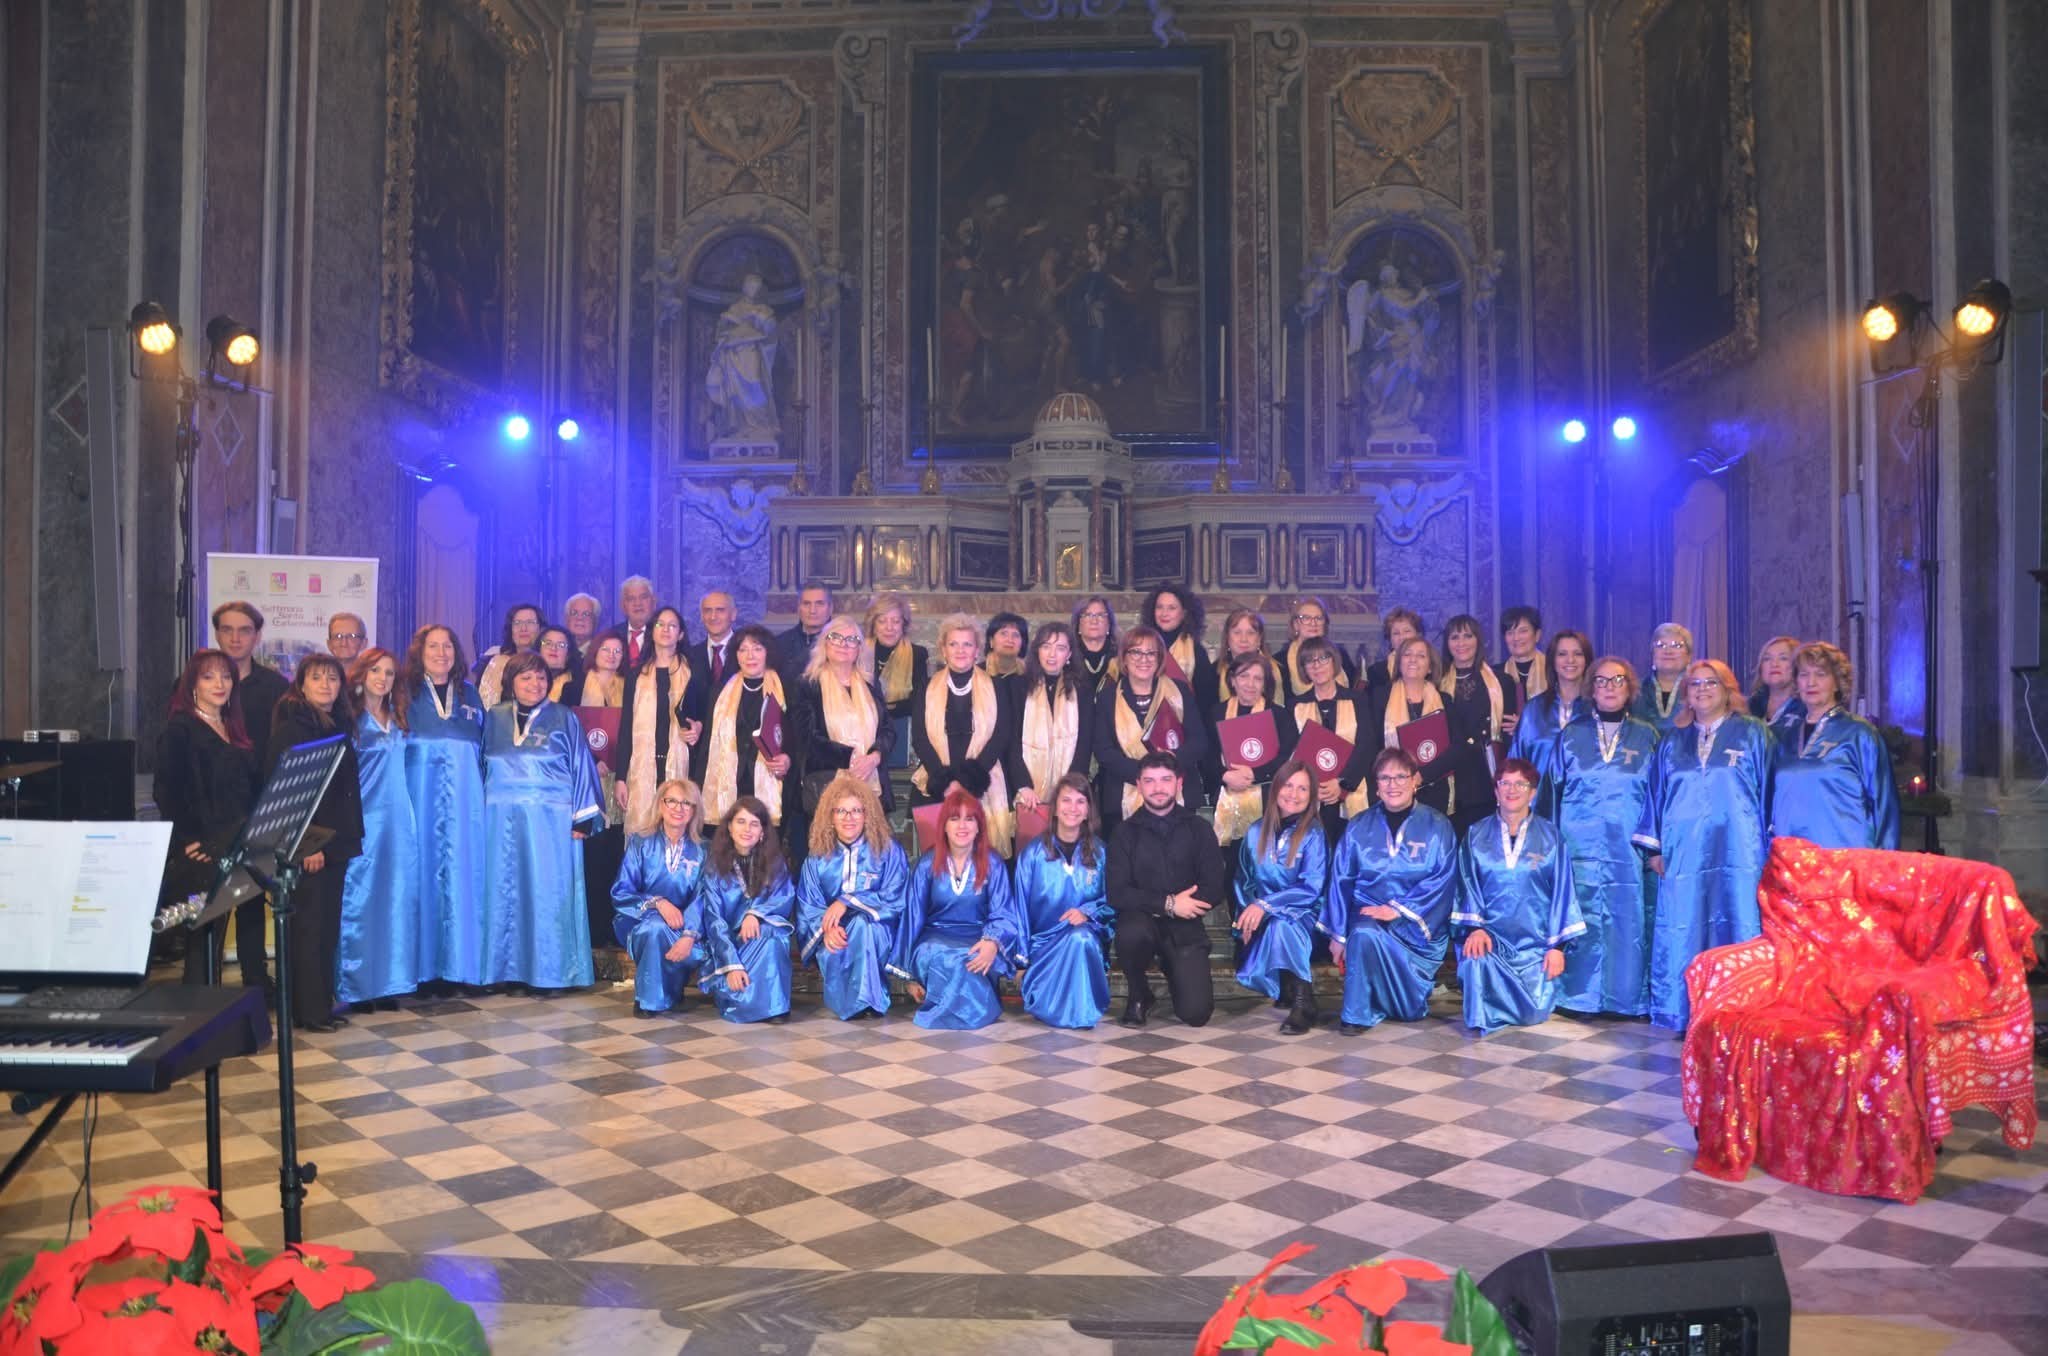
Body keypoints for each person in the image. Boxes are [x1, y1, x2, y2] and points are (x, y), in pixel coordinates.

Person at [1635, 658, 1773, 1031]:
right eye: (1694, 684)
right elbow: (1655, 796)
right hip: (1684, 853)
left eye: (1711, 683)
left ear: (1728, 689)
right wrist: (1656, 848)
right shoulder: (1672, 743)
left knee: (1739, 925)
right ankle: (1684, 1012)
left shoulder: (1753, 735)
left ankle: (1741, 1014)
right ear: (1686, 694)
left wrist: (1771, 849)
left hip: (1740, 853)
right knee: (1684, 925)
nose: (1702, 689)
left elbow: (1770, 795)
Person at [481, 653, 606, 991]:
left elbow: (582, 765)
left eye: (540, 678)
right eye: (525, 678)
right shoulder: (492, 718)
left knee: (547, 893)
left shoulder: (564, 717)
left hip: (551, 822)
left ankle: (550, 972)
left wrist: (583, 819)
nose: (534, 684)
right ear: (511, 682)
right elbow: (479, 767)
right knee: (502, 891)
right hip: (499, 821)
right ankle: (501, 971)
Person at [1548, 656, 1659, 1018]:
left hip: (1628, 849)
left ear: (1630, 689)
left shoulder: (1647, 736)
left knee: (1627, 921)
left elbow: (1659, 796)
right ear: (1590, 688)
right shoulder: (1571, 735)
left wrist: (1653, 846)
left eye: (1618, 680)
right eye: (1601, 681)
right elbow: (1552, 790)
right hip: (1576, 847)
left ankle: (1624, 998)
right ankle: (1578, 996)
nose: (1609, 687)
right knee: (1581, 918)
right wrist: (1550, 847)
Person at [1325, 748, 1460, 1034]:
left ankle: (1394, 1000)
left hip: (1416, 928)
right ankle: (1356, 1014)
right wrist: (1337, 934)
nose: (1393, 784)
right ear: (1376, 785)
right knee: (1363, 932)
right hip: (1367, 918)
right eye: (1385, 778)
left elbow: (1443, 879)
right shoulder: (1358, 826)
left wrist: (1396, 910)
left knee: (1409, 1012)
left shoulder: (1438, 826)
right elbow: (1340, 880)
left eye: (1401, 776)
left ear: (1415, 781)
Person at [264, 654, 364, 1032]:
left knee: (324, 929)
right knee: (309, 928)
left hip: (335, 842)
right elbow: (289, 795)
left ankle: (318, 1003)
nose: (326, 684)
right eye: (317, 677)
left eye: (333, 678)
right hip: (311, 846)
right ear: (301, 684)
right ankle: (308, 1012)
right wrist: (307, 846)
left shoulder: (335, 723)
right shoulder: (294, 728)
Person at [1451, 758, 1583, 1035]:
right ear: (1495, 791)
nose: (1512, 790)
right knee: (1476, 961)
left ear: (1532, 792)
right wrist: (1474, 928)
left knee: (1533, 1013)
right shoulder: (1475, 835)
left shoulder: (1550, 837)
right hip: (1490, 940)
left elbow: (1563, 892)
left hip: (1534, 948)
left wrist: (1556, 947)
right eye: (1505, 783)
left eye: (1520, 784)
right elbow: (1466, 883)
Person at [157, 649, 260, 989]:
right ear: (192, 686)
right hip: (200, 848)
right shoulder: (181, 729)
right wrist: (188, 840)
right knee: (201, 938)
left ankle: (211, 1015)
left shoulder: (234, 728)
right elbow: (167, 791)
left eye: (226, 676)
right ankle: (198, 1019)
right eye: (208, 676)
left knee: (216, 935)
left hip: (234, 844)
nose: (220, 684)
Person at [397, 624, 489, 988]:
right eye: (433, 646)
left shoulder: (470, 695)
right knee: (421, 878)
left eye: (448, 646)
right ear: (419, 652)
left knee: (465, 877)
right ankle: (421, 970)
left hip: (466, 811)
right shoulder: (404, 694)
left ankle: (460, 968)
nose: (441, 653)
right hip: (420, 805)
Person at [1105, 751, 1223, 1027]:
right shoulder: (1124, 832)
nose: (1158, 788)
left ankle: (1176, 966)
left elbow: (1215, 885)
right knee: (1131, 933)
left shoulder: (1199, 829)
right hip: (1140, 921)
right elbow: (1117, 892)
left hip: (1185, 923)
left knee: (1196, 1014)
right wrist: (1168, 903)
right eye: (1150, 781)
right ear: (1139, 784)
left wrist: (1186, 907)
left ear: (1179, 783)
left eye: (1165, 780)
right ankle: (1139, 993)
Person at [893, 787, 1026, 1030]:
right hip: (935, 936)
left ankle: (970, 1010)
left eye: (969, 819)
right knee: (941, 953)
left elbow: (1003, 913)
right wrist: (909, 977)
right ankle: (956, 1011)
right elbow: (912, 919)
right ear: (944, 825)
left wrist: (992, 942)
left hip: (979, 937)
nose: (962, 826)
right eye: (954, 818)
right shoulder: (926, 865)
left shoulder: (993, 864)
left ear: (979, 827)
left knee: (971, 955)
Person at [338, 648, 420, 1010]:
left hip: (399, 821)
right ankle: (357, 986)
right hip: (365, 820)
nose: (382, 678)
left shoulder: (399, 716)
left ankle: (390, 982)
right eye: (375, 670)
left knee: (395, 899)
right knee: (360, 901)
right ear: (360, 674)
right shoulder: (348, 719)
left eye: (388, 672)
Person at [1770, 641, 1899, 850]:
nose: (1811, 683)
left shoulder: (1858, 733)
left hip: (1845, 859)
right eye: (1803, 674)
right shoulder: (1783, 736)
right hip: (1792, 861)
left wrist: (1884, 866)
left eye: (1821, 675)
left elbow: (1884, 806)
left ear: (1837, 683)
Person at [798, 773, 907, 1020]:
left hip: (879, 930)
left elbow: (895, 898)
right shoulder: (817, 857)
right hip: (832, 933)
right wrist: (825, 930)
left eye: (856, 811)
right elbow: (809, 906)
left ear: (867, 815)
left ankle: (867, 1000)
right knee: (847, 934)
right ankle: (856, 1002)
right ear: (830, 816)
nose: (849, 818)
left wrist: (846, 901)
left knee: (861, 926)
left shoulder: (888, 851)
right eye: (841, 811)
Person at [1233, 760, 1330, 1035]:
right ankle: (1288, 985)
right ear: (1275, 788)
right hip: (1262, 919)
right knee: (1275, 925)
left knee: (1283, 926)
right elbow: (1244, 881)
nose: (1294, 794)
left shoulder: (1314, 834)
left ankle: (1304, 1001)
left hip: (1307, 918)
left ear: (1311, 796)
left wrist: (1265, 905)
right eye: (1288, 785)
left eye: (1303, 789)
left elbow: (1311, 887)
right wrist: (1246, 918)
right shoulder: (1254, 832)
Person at [1012, 775, 1114, 1029]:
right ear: (1055, 807)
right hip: (1043, 946)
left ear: (1089, 809)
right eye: (1066, 800)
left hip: (1085, 942)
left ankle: (1079, 1013)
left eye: (1081, 801)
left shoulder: (1101, 854)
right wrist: (1021, 961)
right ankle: (1051, 1002)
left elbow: (1114, 900)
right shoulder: (1033, 854)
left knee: (1080, 939)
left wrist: (1088, 913)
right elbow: (1019, 908)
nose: (1073, 808)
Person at [795, 613, 896, 867]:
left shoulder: (870, 685)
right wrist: (849, 757)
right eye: (836, 637)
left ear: (860, 649)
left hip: (871, 783)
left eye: (852, 640)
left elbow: (888, 730)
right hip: (827, 784)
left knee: (871, 859)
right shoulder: (809, 684)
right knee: (828, 860)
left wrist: (874, 757)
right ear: (824, 644)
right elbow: (806, 736)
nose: (843, 644)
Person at [910, 613, 1017, 853]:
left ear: (977, 650)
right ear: (943, 650)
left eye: (967, 644)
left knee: (985, 860)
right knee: (937, 861)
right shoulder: (925, 688)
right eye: (953, 644)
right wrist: (946, 782)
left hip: (983, 782)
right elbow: (920, 738)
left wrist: (968, 782)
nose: (960, 650)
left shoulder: (997, 687)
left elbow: (1001, 735)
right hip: (936, 784)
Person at [1094, 625, 1208, 831]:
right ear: (1124, 658)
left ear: (1159, 659)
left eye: (1150, 653)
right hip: (1123, 796)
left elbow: (1199, 741)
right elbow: (1104, 751)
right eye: (1135, 652)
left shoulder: (1179, 691)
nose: (1143, 659)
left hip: (1178, 794)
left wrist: (1171, 763)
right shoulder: (1107, 698)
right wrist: (1145, 775)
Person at [610, 778, 706, 1017]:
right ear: (660, 805)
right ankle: (649, 999)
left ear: (694, 811)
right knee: (654, 928)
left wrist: (689, 932)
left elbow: (704, 897)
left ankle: (669, 990)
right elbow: (621, 891)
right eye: (671, 801)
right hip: (640, 920)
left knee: (670, 934)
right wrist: (658, 903)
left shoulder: (705, 850)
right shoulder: (640, 843)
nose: (678, 808)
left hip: (688, 928)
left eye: (686, 803)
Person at [703, 795, 798, 1023]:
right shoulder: (714, 867)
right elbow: (714, 920)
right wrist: (732, 965)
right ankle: (749, 994)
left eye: (754, 824)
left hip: (761, 938)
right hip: (729, 947)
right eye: (741, 822)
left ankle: (776, 1005)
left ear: (763, 831)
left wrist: (755, 913)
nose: (747, 829)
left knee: (771, 936)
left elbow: (783, 897)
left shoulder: (775, 863)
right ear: (729, 827)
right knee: (737, 994)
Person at [615, 605, 705, 836]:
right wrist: (621, 778)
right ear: (651, 631)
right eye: (659, 625)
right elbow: (626, 727)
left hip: (682, 765)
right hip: (641, 768)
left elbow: (703, 717)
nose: (665, 630)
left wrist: (697, 727)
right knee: (643, 834)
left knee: (677, 830)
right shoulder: (636, 675)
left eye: (672, 625)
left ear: (681, 634)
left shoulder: (694, 671)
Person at [700, 624, 792, 827]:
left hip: (770, 782)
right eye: (743, 649)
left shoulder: (786, 689)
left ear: (768, 653)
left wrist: (787, 759)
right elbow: (707, 744)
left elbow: (795, 740)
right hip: (729, 785)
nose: (750, 656)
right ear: (735, 655)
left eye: (757, 649)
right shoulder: (720, 691)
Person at [1288, 637, 1375, 838]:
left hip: (1352, 790)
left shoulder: (1358, 700)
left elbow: (1367, 746)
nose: (1317, 666)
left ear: (1334, 661)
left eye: (1323, 658)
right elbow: (1292, 753)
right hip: (1310, 794)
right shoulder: (1295, 706)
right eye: (1310, 661)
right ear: (1304, 669)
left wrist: (1342, 782)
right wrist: (1312, 786)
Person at [1007, 621, 1094, 819]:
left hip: (1069, 791)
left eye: (1060, 648)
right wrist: (1023, 785)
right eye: (1046, 647)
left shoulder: (1082, 690)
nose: (1052, 655)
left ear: (1069, 654)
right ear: (1037, 651)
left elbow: (1084, 744)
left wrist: (1071, 787)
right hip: (1028, 790)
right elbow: (1012, 741)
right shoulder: (1018, 686)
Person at [1211, 652, 1298, 848]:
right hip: (1227, 795)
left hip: (1268, 799)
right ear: (1232, 680)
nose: (1250, 684)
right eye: (1243, 676)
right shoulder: (1216, 713)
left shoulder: (1280, 715)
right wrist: (1225, 775)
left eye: (1257, 678)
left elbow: (1286, 757)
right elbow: (1208, 757)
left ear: (1265, 683)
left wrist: (1253, 773)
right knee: (1231, 861)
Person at [1366, 635, 1452, 815]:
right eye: (1407, 654)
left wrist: (1423, 775)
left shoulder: (1445, 701)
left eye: (1421, 655)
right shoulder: (1380, 696)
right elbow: (1372, 744)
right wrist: (1398, 777)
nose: (1413, 659)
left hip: (1433, 788)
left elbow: (1456, 747)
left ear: (1430, 667)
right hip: (1392, 789)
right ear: (1398, 663)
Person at [1439, 614, 1509, 835]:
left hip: (1486, 774)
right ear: (1447, 643)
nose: (1461, 643)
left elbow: (1509, 734)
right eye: (1455, 637)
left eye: (1468, 636)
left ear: (1478, 640)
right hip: (1449, 775)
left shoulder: (1502, 681)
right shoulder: (1435, 682)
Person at [1507, 629, 1592, 804]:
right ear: (1552, 660)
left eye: (1578, 654)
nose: (1570, 660)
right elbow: (1516, 766)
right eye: (1562, 654)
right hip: (1539, 809)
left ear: (1587, 661)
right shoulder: (1533, 710)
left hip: (1585, 812)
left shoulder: (1597, 710)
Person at [211, 601, 289, 761]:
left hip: (259, 782)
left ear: (257, 636)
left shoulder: (277, 687)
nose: (235, 639)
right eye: (227, 630)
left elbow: (284, 745)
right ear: (217, 635)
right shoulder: (193, 685)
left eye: (244, 631)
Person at [1142, 585, 1216, 721]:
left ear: (1184, 613)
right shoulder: (1141, 646)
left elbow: (1206, 701)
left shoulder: (1196, 652)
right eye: (1159, 607)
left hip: (1186, 725)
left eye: (1172, 608)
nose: (1164, 613)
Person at [861, 593, 926, 723]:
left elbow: (918, 702)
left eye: (896, 621)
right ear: (873, 625)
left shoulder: (918, 654)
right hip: (862, 724)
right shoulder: (858, 652)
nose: (889, 628)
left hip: (902, 724)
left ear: (904, 624)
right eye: (882, 621)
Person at [1281, 596, 1355, 702]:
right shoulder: (1280, 661)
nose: (1313, 623)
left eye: (1319, 618)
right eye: (1306, 618)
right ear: (1295, 625)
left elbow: (1352, 691)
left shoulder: (1340, 654)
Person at [1212, 608, 1284, 709]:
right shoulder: (1212, 673)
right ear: (1227, 637)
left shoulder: (1278, 670)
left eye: (1250, 633)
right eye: (1237, 632)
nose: (1244, 639)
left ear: (1259, 638)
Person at [1631, 622, 1694, 734]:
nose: (1668, 651)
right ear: (1652, 654)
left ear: (1689, 656)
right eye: (1661, 645)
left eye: (1677, 646)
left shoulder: (1699, 690)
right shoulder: (1634, 690)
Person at [478, 602, 544, 707]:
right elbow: (488, 707)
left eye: (530, 622)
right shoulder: (498, 663)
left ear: (541, 628)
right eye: (517, 623)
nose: (523, 628)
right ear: (510, 630)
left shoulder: (547, 662)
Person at [1362, 608, 1425, 706]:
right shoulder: (1376, 671)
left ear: (1418, 635)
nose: (1402, 637)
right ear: (1390, 640)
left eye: (1407, 631)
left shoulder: (1430, 667)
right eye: (1396, 633)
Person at [776, 581, 834, 677]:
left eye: (819, 604)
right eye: (806, 604)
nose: (812, 610)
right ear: (799, 608)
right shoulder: (779, 644)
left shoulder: (842, 645)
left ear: (830, 608)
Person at [687, 589, 740, 694]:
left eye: (720, 610)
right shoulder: (689, 656)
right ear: (702, 616)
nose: (713, 617)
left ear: (733, 614)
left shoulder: (746, 652)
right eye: (707, 610)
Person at [1497, 606, 1547, 713]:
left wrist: (1525, 722)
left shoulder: (1554, 671)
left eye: (1523, 631)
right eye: (1510, 633)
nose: (1516, 638)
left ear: (1537, 635)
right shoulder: (1495, 675)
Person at [604, 576, 659, 670]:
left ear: (654, 602)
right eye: (631, 599)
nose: (637, 603)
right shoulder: (612, 635)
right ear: (623, 606)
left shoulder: (662, 633)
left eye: (643, 597)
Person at [1071, 596, 1120, 694]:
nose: (1094, 621)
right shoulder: (1068, 657)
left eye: (1100, 615)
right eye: (1087, 615)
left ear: (1109, 624)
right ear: (1078, 624)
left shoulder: (1121, 656)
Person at [575, 634, 628, 709]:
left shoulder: (630, 688)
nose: (611, 655)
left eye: (617, 651)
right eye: (606, 649)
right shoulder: (573, 688)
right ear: (595, 652)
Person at [538, 625, 583, 704]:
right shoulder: (524, 680)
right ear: (538, 650)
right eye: (548, 643)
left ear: (568, 654)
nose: (553, 648)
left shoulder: (577, 686)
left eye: (561, 645)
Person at [982, 612, 1030, 683]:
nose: (1010, 640)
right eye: (1004, 633)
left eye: (1016, 635)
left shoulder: (1031, 677)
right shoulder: (977, 674)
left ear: (1022, 643)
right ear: (991, 641)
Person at [562, 592, 603, 659]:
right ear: (566, 619)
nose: (579, 618)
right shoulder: (557, 650)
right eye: (574, 613)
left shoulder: (601, 654)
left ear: (595, 621)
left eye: (586, 614)